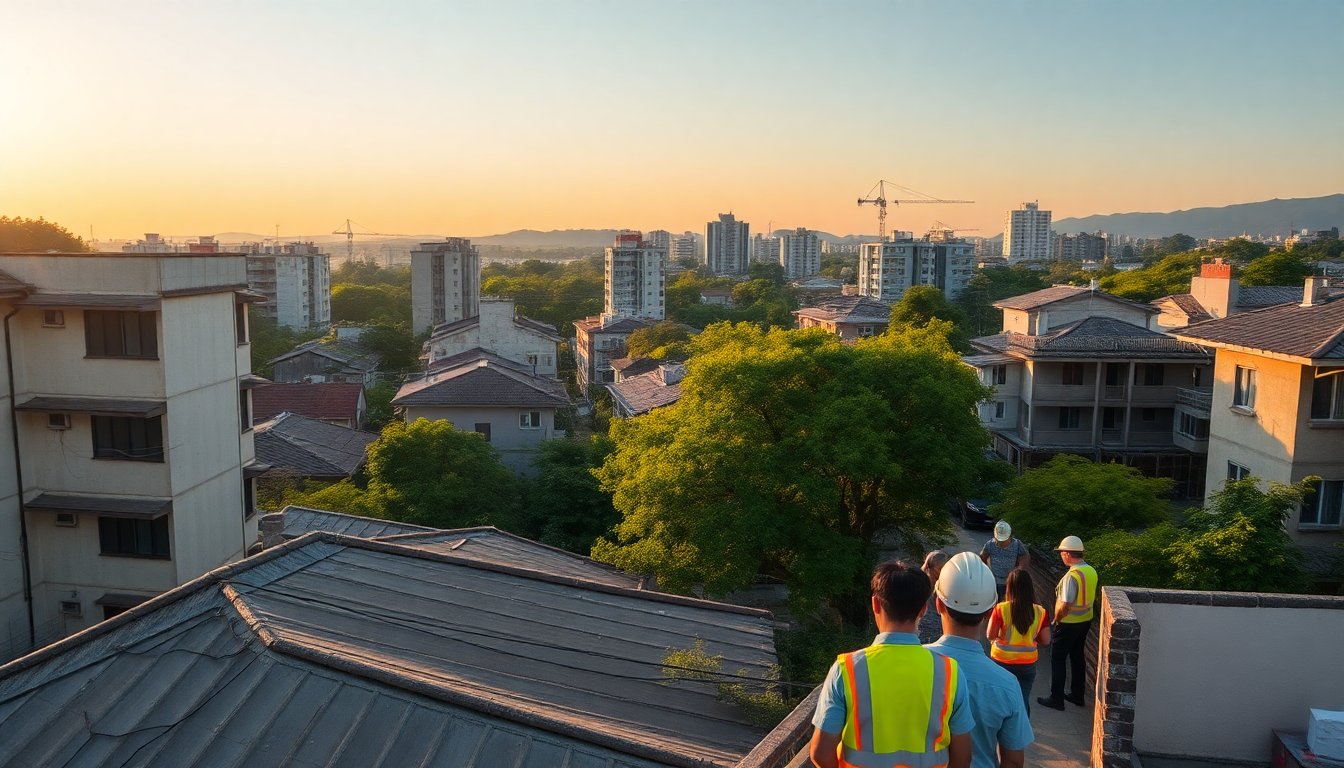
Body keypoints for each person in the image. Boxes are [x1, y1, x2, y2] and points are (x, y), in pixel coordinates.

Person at [809, 560, 974, 768]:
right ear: (923, 609)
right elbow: (962, 759)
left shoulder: (846, 668)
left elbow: (821, 753)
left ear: (875, 604)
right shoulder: (950, 672)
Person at [926, 552, 1033, 768]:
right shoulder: (1007, 684)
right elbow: (1013, 760)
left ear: (938, 604)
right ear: (989, 612)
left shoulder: (912, 663)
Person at [1037, 535, 1098, 711]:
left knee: (1057, 658)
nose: (1061, 556)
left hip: (1068, 623)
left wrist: (1057, 619)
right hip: (1085, 621)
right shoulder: (1090, 571)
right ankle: (1077, 695)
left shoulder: (1072, 576)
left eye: (1062, 552)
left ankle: (1056, 698)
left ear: (1068, 554)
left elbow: (1065, 603)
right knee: (1077, 656)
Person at [986, 568, 1050, 715]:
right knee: (1022, 701)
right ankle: (1021, 733)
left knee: (1000, 701)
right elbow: (1046, 640)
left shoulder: (1001, 609)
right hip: (1027, 664)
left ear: (1010, 587)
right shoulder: (1040, 611)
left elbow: (990, 635)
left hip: (1001, 661)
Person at [980, 521, 1030, 602]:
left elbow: (1024, 556)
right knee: (995, 602)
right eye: (999, 540)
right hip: (995, 580)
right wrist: (986, 572)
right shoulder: (990, 544)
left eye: (1004, 540)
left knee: (1009, 602)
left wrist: (1020, 569)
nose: (1001, 542)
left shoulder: (1017, 544)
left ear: (1009, 536)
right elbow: (983, 557)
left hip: (1011, 581)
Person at [918, 551, 949, 644]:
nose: (943, 572)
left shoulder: (920, 579)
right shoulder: (925, 584)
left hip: (925, 626)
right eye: (940, 568)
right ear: (931, 567)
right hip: (930, 627)